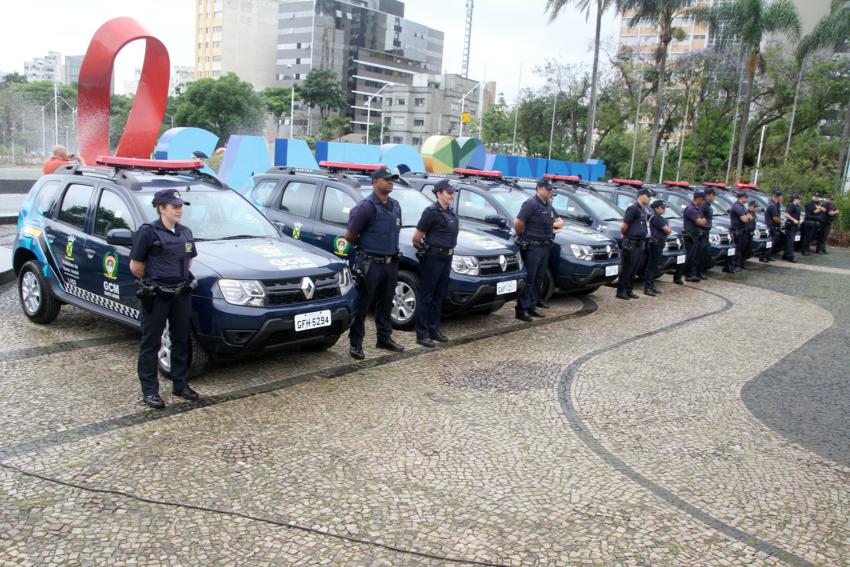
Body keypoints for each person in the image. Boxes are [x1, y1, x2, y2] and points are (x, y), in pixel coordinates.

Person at [130, 189, 200, 409]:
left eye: (180, 206)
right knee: (151, 343)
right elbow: (136, 267)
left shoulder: (186, 232)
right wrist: (156, 282)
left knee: (181, 340)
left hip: (181, 294)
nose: (179, 210)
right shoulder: (148, 232)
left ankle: (180, 384)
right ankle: (150, 391)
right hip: (157, 295)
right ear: (161, 208)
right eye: (174, 206)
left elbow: (188, 262)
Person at [345, 167, 405, 360]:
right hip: (370, 264)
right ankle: (356, 344)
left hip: (390, 263)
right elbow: (351, 236)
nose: (391, 182)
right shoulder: (365, 207)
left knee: (386, 303)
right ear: (375, 182)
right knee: (363, 305)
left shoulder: (395, 205)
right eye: (387, 179)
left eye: (392, 179)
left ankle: (384, 338)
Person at [412, 179, 459, 348]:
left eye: (452, 193)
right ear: (439, 193)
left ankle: (434, 329)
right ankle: (422, 333)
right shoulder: (431, 212)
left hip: (447, 257)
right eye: (448, 193)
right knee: (427, 296)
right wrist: (427, 252)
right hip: (434, 257)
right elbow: (416, 238)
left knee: (439, 296)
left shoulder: (451, 213)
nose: (451, 196)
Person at [514, 179, 560, 321]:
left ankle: (532, 306)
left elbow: (558, 221)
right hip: (533, 246)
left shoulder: (548, 206)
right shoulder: (531, 204)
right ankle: (522, 309)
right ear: (539, 189)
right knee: (530, 278)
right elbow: (518, 222)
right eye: (547, 189)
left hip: (545, 246)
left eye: (551, 190)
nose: (550, 192)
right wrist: (522, 236)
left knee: (539, 278)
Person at [617, 187, 651, 300]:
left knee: (635, 267)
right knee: (628, 267)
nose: (650, 198)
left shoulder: (643, 210)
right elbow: (625, 225)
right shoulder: (633, 209)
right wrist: (624, 234)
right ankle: (621, 291)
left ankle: (629, 289)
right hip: (631, 242)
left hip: (639, 243)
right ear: (641, 196)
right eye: (648, 196)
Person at [644, 199, 674, 296]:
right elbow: (668, 230)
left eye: (664, 208)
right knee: (651, 266)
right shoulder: (655, 218)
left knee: (655, 265)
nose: (664, 210)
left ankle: (651, 285)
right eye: (662, 208)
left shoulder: (660, 218)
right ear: (656, 208)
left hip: (660, 243)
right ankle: (648, 287)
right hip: (655, 243)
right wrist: (667, 229)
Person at [682, 191, 708, 282]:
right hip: (691, 236)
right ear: (698, 199)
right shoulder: (690, 209)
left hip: (697, 236)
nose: (703, 202)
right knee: (691, 256)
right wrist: (701, 221)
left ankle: (694, 273)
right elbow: (700, 222)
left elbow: (704, 220)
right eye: (703, 200)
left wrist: (702, 221)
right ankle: (689, 275)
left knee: (697, 256)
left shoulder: (698, 208)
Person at [726, 192, 751, 273]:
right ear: (741, 197)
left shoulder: (742, 206)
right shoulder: (737, 207)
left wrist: (748, 217)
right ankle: (734, 265)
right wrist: (747, 218)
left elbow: (750, 216)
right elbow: (745, 219)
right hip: (737, 231)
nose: (747, 199)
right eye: (746, 197)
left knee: (741, 250)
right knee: (737, 250)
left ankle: (738, 265)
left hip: (742, 231)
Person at [698, 187, 716, 279]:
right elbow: (700, 218)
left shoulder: (707, 205)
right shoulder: (704, 205)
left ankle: (701, 271)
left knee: (705, 252)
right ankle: (699, 272)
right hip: (703, 232)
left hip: (706, 232)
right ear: (709, 195)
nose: (714, 198)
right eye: (713, 195)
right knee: (702, 253)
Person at [761, 190, 783, 263]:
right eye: (781, 196)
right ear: (778, 197)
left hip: (772, 226)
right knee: (769, 242)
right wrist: (781, 222)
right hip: (771, 226)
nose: (782, 198)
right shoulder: (772, 205)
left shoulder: (775, 204)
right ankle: (763, 257)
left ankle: (768, 256)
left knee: (772, 242)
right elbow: (775, 218)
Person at [782, 194, 803, 263]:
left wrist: (800, 220)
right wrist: (794, 220)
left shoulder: (798, 207)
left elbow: (797, 215)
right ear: (795, 199)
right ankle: (791, 256)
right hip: (790, 225)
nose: (800, 201)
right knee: (790, 241)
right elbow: (786, 214)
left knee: (790, 241)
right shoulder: (791, 205)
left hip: (795, 226)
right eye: (799, 199)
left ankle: (785, 255)